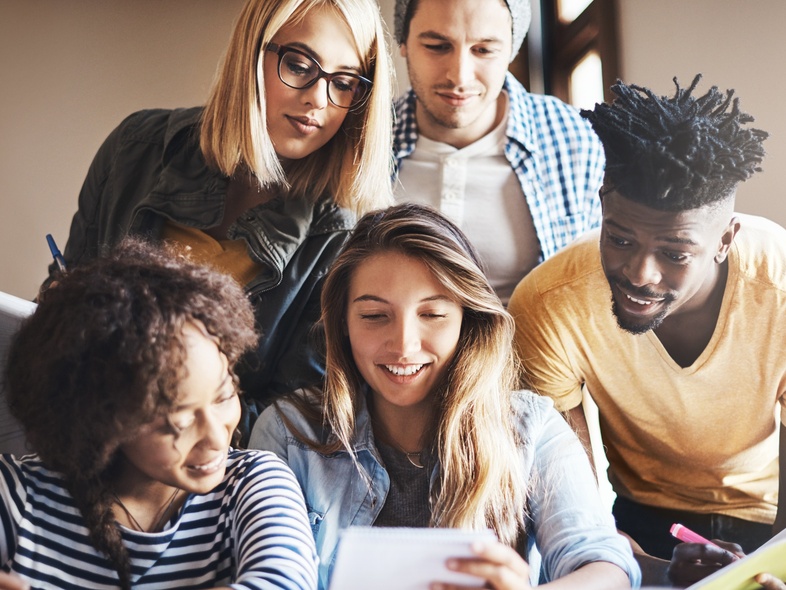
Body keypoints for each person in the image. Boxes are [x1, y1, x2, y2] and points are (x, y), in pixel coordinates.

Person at [42, 0, 394, 441]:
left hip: (215, 476)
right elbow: (60, 302)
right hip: (76, 441)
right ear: (250, 52)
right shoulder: (137, 147)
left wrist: (151, 409)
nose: (318, 100)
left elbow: (289, 421)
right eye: (300, 65)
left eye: (344, 83)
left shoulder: (342, 237)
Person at [249, 204, 640, 590]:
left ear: (468, 321)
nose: (404, 346)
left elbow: (606, 567)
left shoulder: (530, 427)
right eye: (374, 316)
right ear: (343, 324)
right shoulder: (287, 432)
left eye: (432, 315)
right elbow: (267, 578)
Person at [508, 75, 786, 587]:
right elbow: (574, 510)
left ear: (725, 239)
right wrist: (658, 571)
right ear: (603, 206)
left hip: (772, 515)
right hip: (634, 522)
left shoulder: (780, 289)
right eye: (619, 239)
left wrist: (764, 568)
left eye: (675, 254)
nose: (640, 274)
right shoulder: (549, 305)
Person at [2, 239, 318, 589]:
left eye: (224, 396)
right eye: (178, 423)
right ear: (99, 419)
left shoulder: (254, 484)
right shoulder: (17, 494)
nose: (216, 437)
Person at [391, 0, 604, 304]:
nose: (459, 77)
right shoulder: (361, 139)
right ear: (404, 42)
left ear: (511, 50)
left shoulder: (577, 139)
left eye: (484, 50)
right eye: (437, 46)